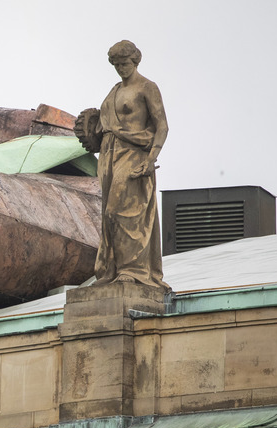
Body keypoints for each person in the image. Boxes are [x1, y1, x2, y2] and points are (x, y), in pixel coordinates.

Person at [89, 40, 170, 290]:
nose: (121, 69)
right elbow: (100, 126)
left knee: (123, 210)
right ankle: (111, 268)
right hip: (109, 155)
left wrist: (151, 158)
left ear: (135, 61)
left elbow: (162, 126)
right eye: (116, 65)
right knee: (108, 215)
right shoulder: (113, 91)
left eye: (125, 63)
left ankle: (133, 269)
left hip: (134, 154)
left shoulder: (147, 87)